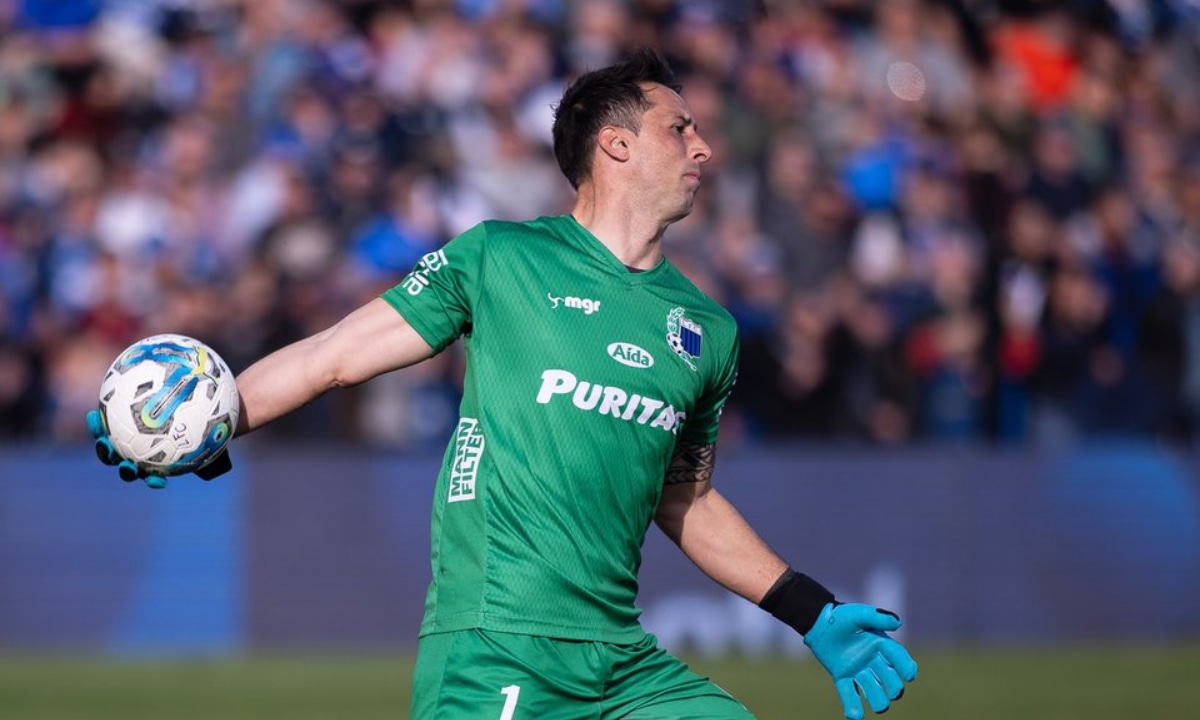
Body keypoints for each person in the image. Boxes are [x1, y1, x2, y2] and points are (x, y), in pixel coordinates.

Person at [89, 48, 917, 720]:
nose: (703, 147)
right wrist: (214, 419)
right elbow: (331, 356)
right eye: (681, 127)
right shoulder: (501, 258)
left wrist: (811, 610)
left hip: (623, 667)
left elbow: (686, 500)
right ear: (616, 144)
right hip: (497, 649)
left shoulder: (709, 330)